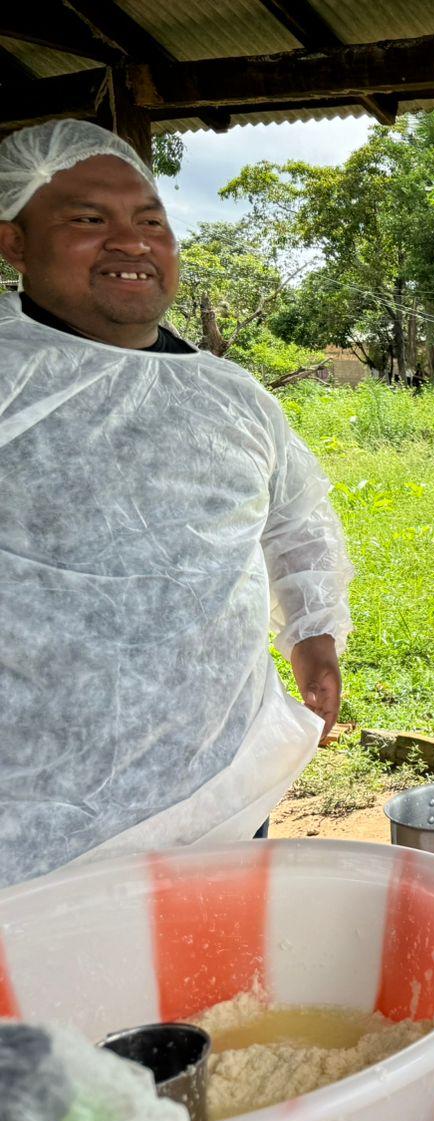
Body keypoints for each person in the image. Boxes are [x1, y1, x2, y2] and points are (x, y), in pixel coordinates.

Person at [0, 120, 353, 889]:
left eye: (151, 221)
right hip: (35, 822)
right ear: (14, 244)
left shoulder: (229, 395)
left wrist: (314, 634)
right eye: (89, 220)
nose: (132, 243)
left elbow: (295, 518)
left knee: (217, 993)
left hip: (220, 787)